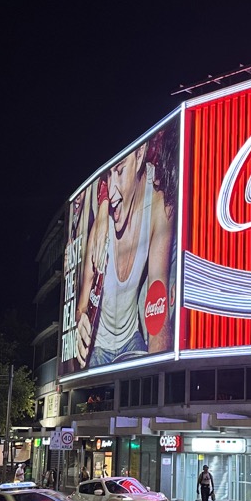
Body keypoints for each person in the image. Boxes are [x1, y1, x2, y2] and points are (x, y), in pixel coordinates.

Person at [73, 132, 176, 369]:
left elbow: (157, 292)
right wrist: (80, 322)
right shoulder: (100, 230)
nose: (112, 191)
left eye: (120, 171)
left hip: (132, 340)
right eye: (109, 176)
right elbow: (80, 306)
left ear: (140, 156)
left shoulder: (158, 200)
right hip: (99, 348)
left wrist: (159, 373)